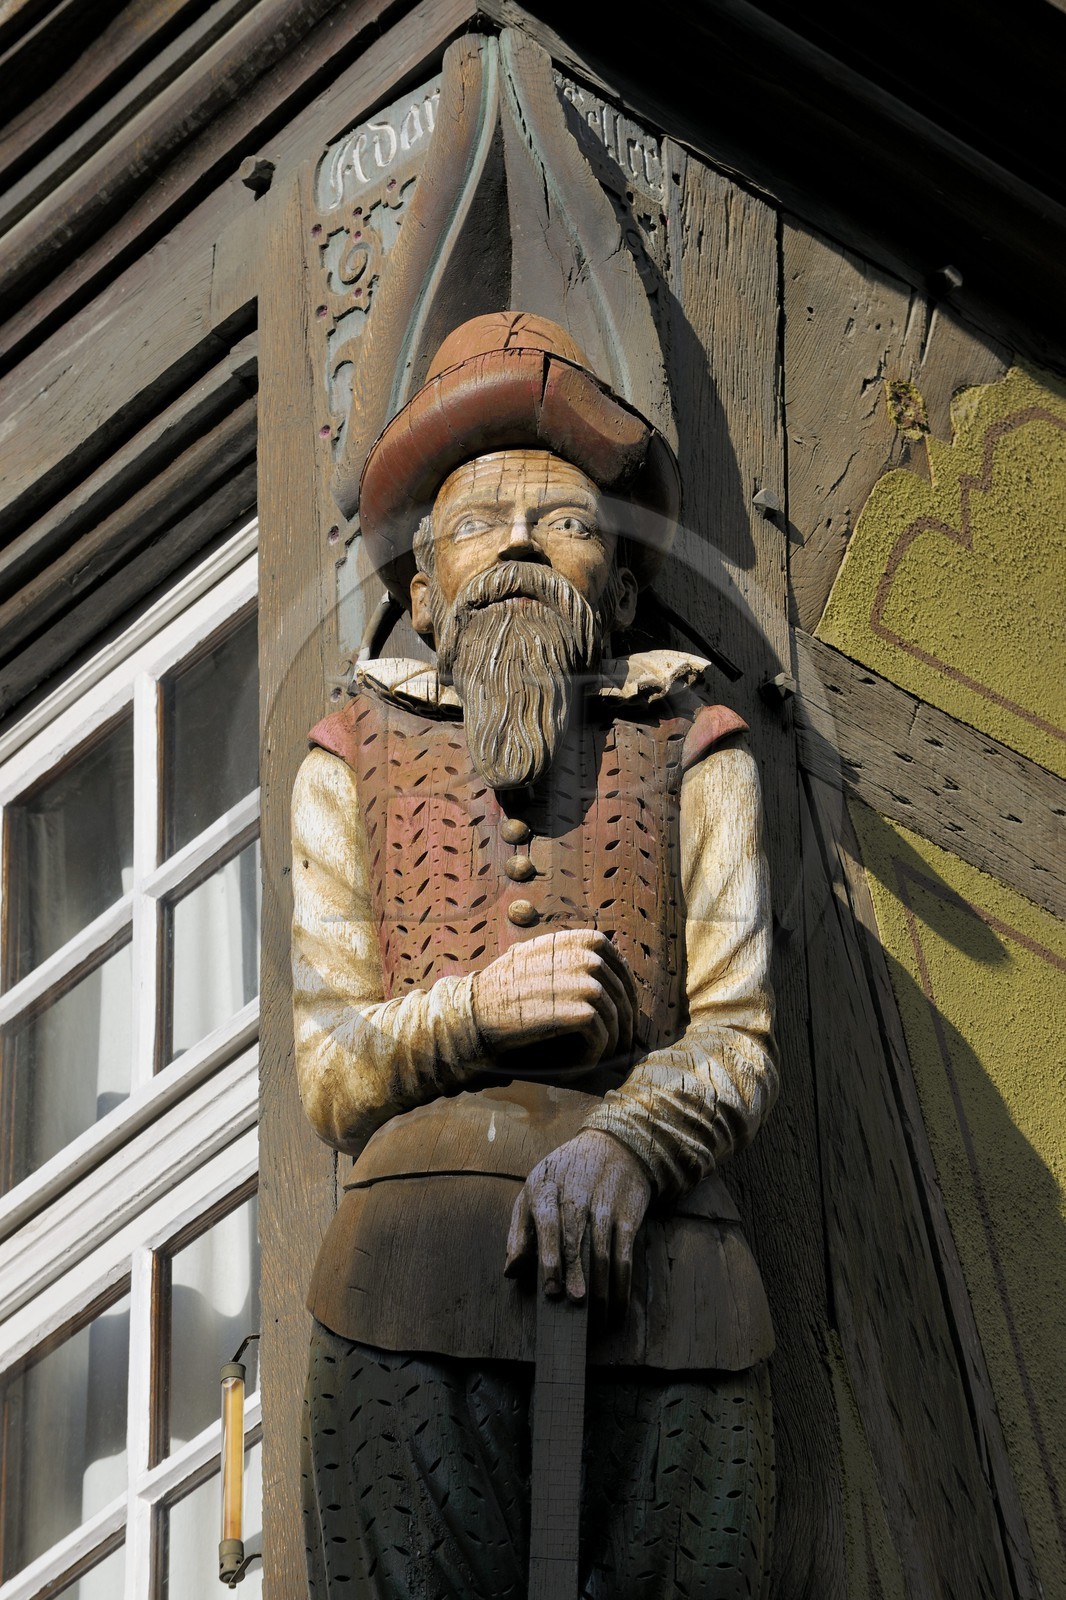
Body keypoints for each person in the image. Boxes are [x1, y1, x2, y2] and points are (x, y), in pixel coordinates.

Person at [292, 312, 779, 1598]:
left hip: (676, 1294)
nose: (512, 540)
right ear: (422, 594)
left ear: (617, 589)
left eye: (558, 519)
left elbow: (738, 1034)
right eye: (471, 524)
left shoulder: (693, 744)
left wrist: (629, 1141)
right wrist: (473, 1008)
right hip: (404, 1292)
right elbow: (329, 1065)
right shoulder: (353, 753)